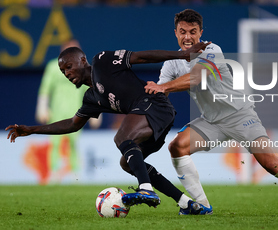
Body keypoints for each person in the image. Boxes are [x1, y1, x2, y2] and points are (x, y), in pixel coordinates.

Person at [144, 9, 278, 216]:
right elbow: (160, 96)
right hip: (212, 122)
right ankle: (202, 206)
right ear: (176, 33)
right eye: (182, 31)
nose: (187, 37)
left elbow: (195, 78)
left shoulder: (211, 49)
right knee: (177, 146)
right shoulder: (171, 63)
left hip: (241, 115)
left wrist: (163, 87)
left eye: (192, 31)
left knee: (271, 163)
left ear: (200, 32)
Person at [6, 42, 210, 214]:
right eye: (63, 71)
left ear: (82, 61)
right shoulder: (91, 98)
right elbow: (72, 124)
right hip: (155, 120)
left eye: (69, 66)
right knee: (127, 164)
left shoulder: (102, 61)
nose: (67, 73)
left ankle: (146, 189)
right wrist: (31, 130)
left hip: (156, 104)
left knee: (121, 137)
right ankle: (186, 203)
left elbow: (141, 57)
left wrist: (183, 54)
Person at [36, 38, 101, 183]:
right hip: (57, 112)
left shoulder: (83, 69)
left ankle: (75, 173)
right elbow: (45, 90)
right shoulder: (53, 67)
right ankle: (54, 172)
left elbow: (92, 90)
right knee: (55, 143)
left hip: (76, 112)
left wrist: (97, 114)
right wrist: (42, 108)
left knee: (74, 143)